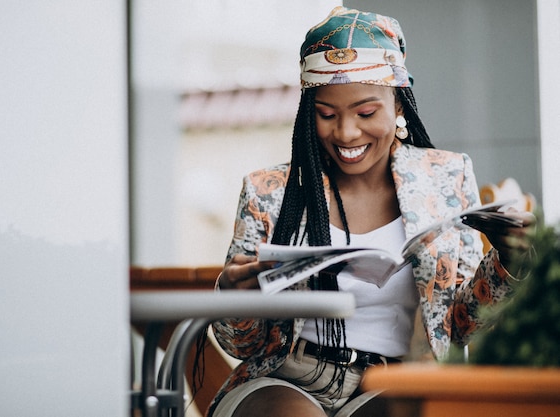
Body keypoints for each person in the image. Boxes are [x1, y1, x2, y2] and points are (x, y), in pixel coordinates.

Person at [206, 6, 536, 417]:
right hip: (286, 377)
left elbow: (462, 323)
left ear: (398, 106)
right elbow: (242, 347)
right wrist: (237, 299)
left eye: (365, 113)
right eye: (326, 115)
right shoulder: (268, 192)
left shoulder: (445, 179)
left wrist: (507, 261)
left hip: (393, 381)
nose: (345, 133)